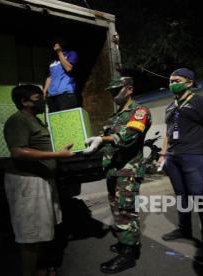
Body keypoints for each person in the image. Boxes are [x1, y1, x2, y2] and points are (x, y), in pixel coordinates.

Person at [3, 84, 75, 276]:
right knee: (31, 234)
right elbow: (17, 152)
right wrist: (56, 154)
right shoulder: (18, 121)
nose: (42, 101)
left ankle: (39, 268)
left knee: (41, 230)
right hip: (28, 182)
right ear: (24, 102)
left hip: (42, 179)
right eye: (37, 98)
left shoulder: (34, 120)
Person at [83, 77, 151, 274]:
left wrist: (103, 138)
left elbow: (129, 136)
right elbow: (108, 141)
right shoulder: (116, 115)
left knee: (126, 211)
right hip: (114, 170)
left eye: (117, 91)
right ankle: (126, 243)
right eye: (111, 92)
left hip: (128, 170)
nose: (114, 95)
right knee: (117, 210)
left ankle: (128, 255)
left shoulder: (139, 111)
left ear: (129, 89)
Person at [158, 68, 203, 254]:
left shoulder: (200, 103)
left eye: (176, 80)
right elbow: (168, 132)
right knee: (181, 197)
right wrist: (163, 153)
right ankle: (184, 230)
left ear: (189, 83)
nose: (172, 83)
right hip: (173, 157)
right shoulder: (170, 106)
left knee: (199, 199)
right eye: (170, 80)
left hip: (194, 156)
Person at [43, 39, 79, 112]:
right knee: (55, 121)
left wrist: (59, 52)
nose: (56, 43)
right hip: (52, 96)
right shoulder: (52, 59)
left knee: (67, 120)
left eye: (59, 41)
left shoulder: (71, 53)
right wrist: (44, 92)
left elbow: (68, 68)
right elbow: (50, 77)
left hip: (66, 94)